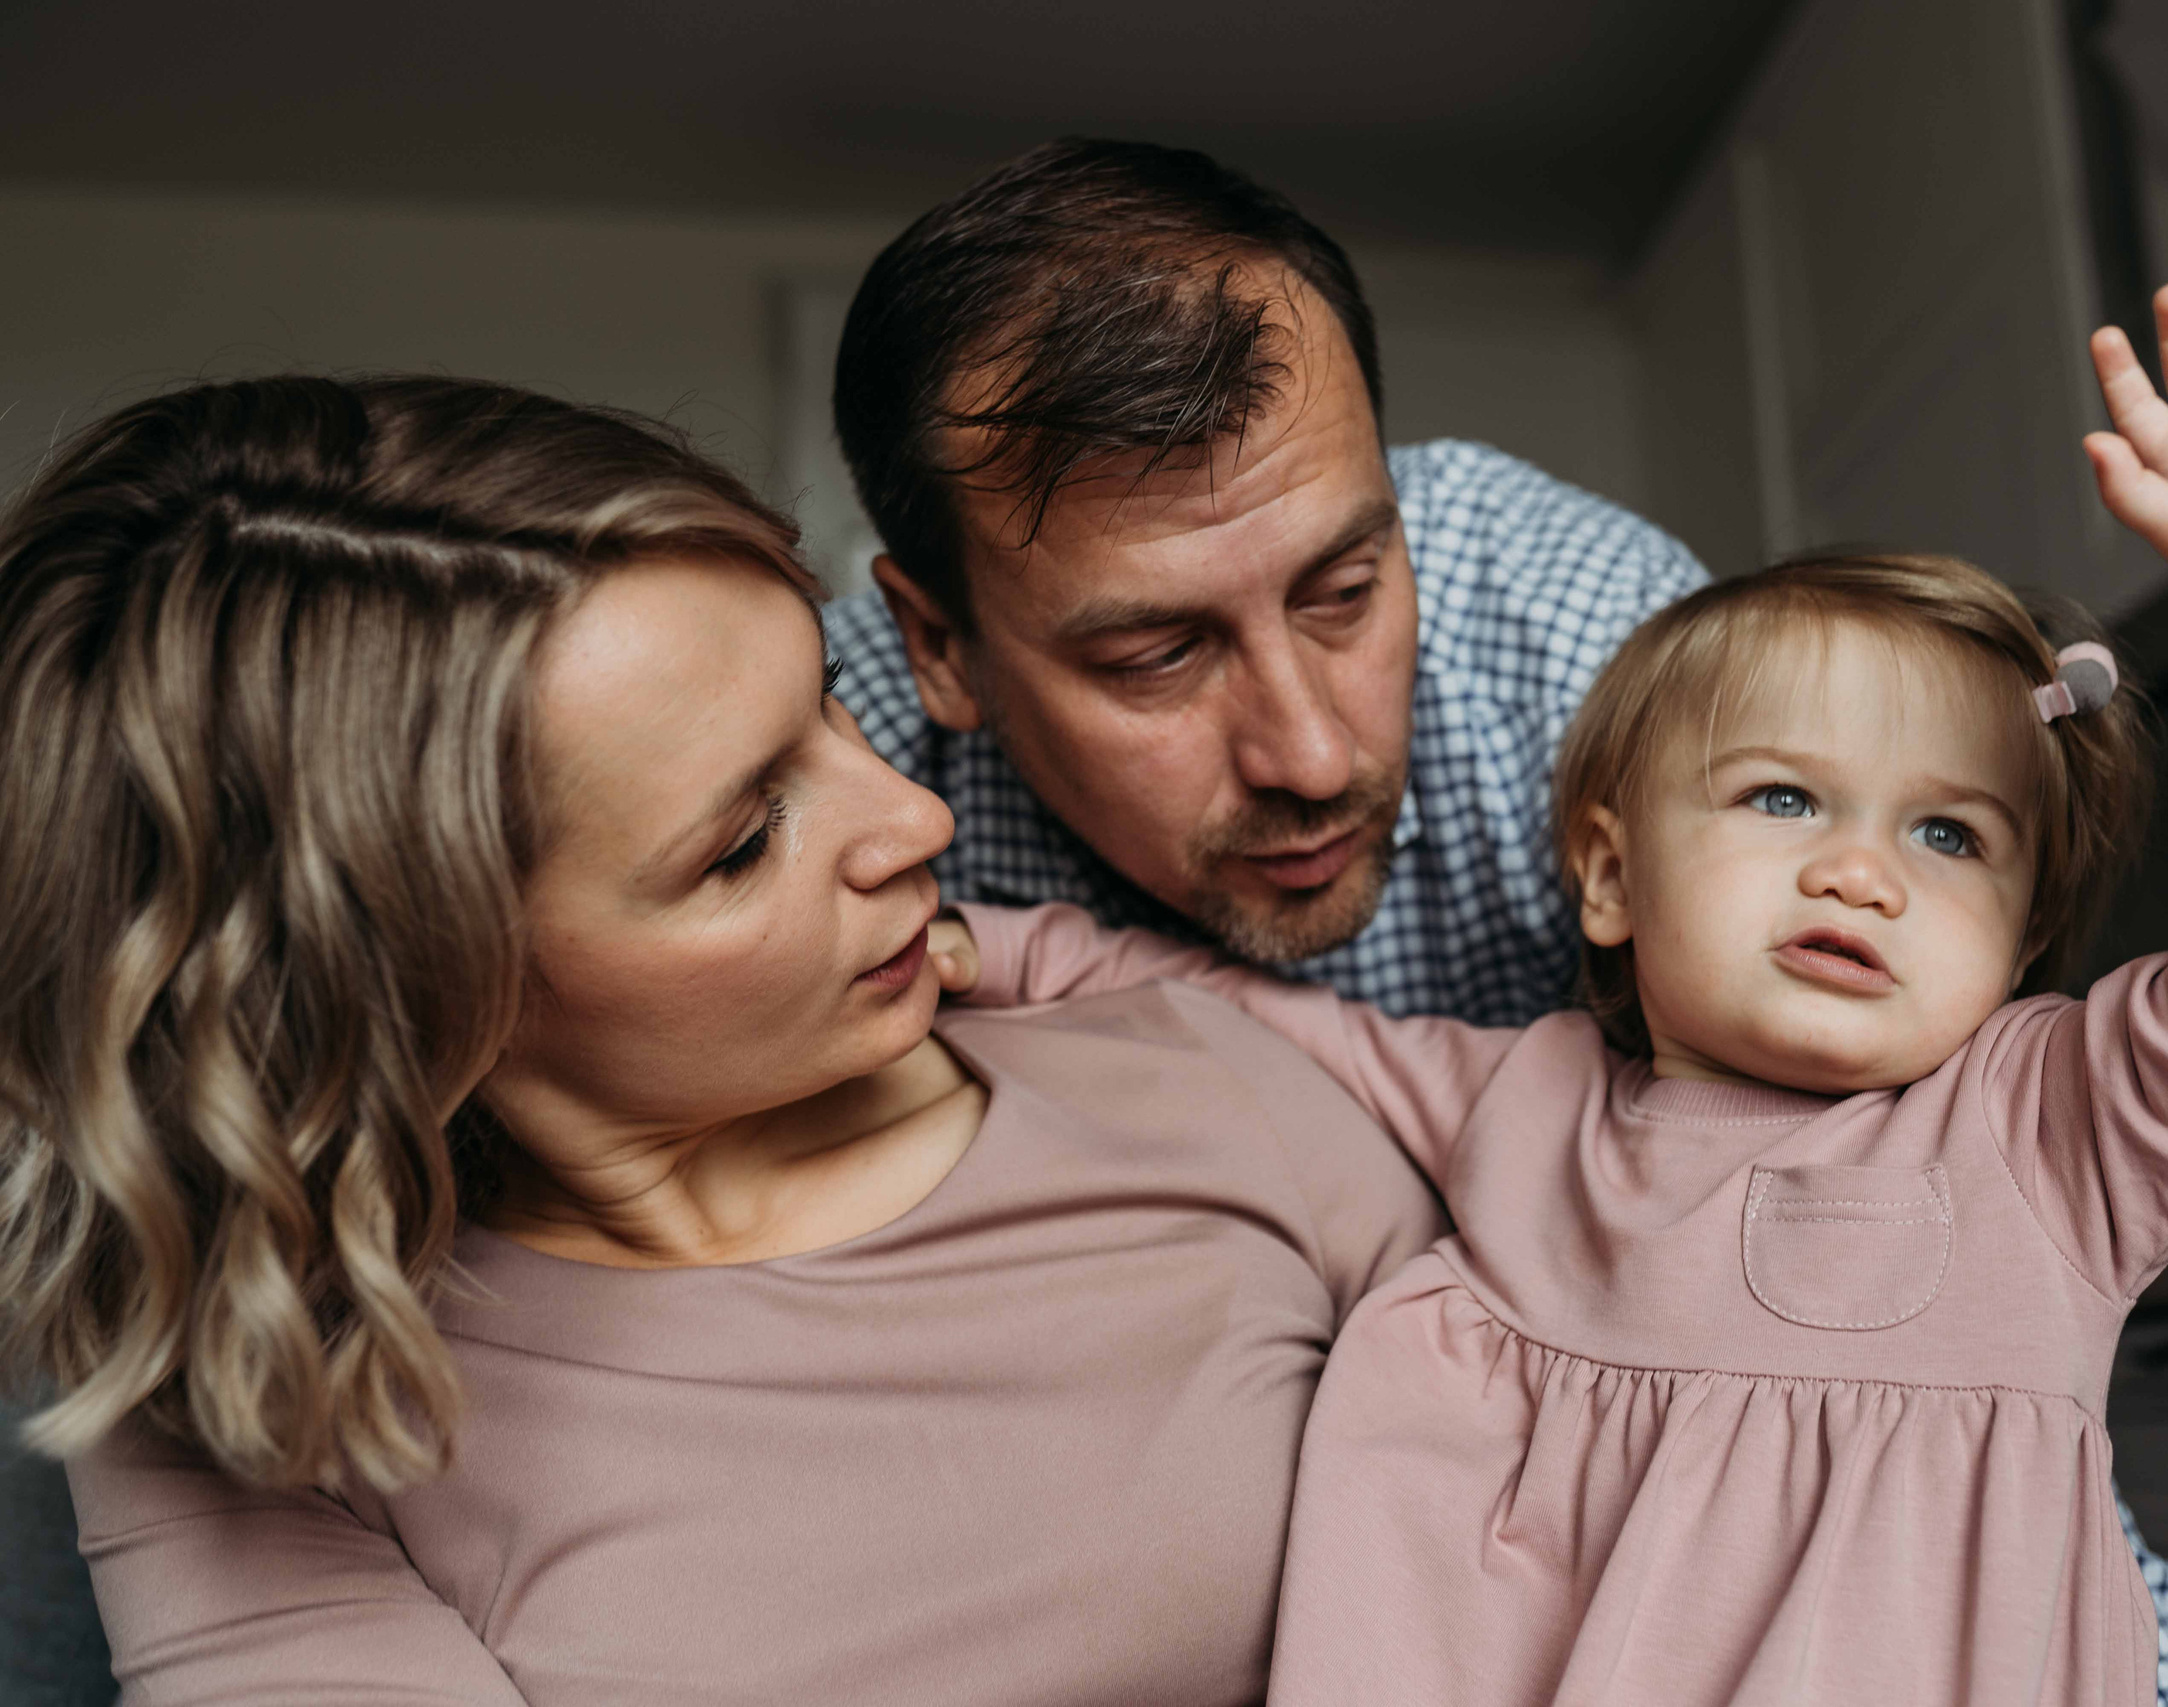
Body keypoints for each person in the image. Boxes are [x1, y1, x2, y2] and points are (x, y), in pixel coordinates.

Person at [935, 271, 2168, 1704]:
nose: (1863, 873)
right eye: (1786, 801)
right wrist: (971, 946)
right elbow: (1212, 1015)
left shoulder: (2051, 1133)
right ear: (1606, 877)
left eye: (1948, 833)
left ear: (2016, 945)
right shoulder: (1515, 1099)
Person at [0, 376, 1444, 1703]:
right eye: (747, 843)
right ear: (429, 991)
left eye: (828, 702)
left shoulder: (1199, 1079)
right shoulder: (276, 1416)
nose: (917, 822)